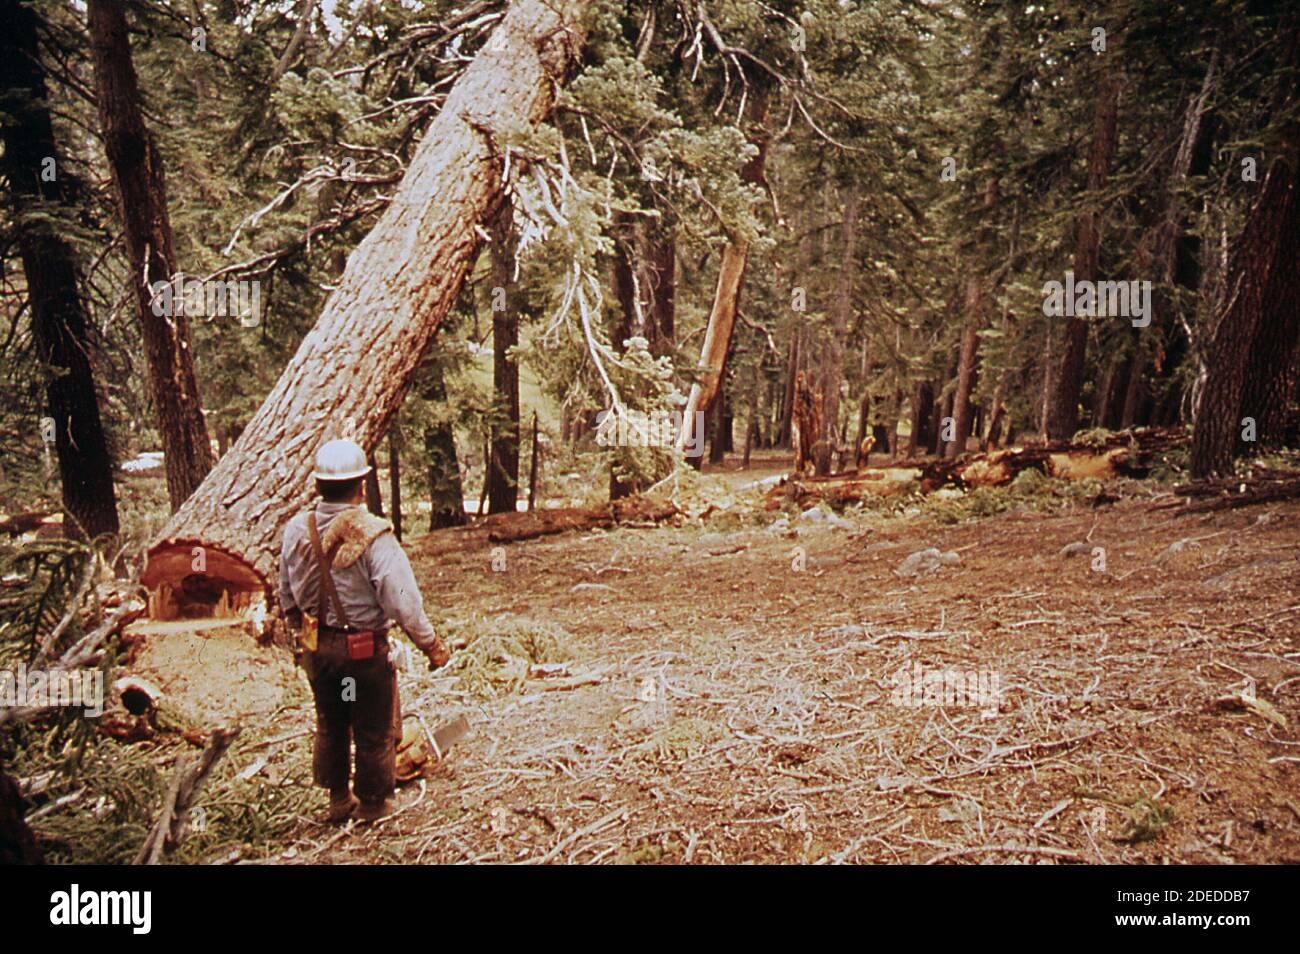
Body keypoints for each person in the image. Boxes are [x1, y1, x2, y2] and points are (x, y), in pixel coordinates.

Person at [279, 438, 450, 824]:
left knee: (331, 720)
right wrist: (431, 645)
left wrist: (298, 631)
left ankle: (338, 799)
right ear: (360, 485)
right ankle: (371, 805)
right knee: (371, 727)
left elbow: (285, 591)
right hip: (361, 656)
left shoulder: (295, 529)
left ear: (319, 485)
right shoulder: (374, 534)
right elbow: (402, 600)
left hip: (318, 650)